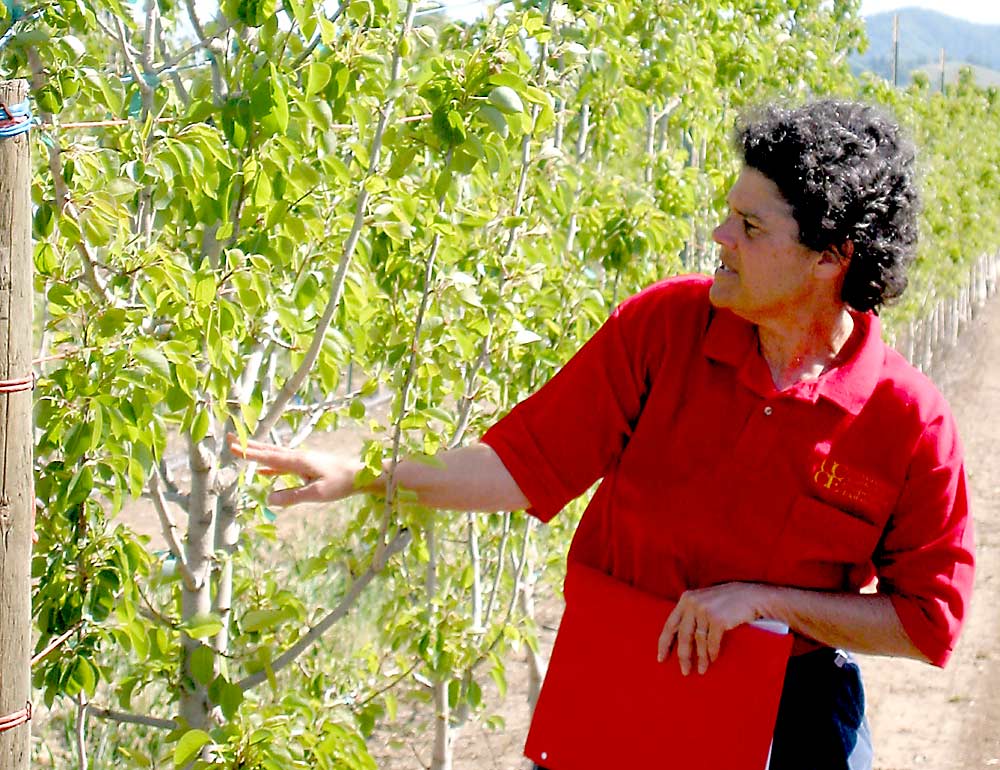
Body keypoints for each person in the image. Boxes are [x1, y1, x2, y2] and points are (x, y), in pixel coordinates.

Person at [230, 100, 974, 770]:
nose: (720, 237)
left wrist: (762, 602)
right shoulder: (667, 329)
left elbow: (929, 623)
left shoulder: (908, 422)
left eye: (749, 227)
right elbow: (521, 465)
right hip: (625, 676)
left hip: (790, 715)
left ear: (830, 257)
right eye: (728, 214)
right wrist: (365, 472)